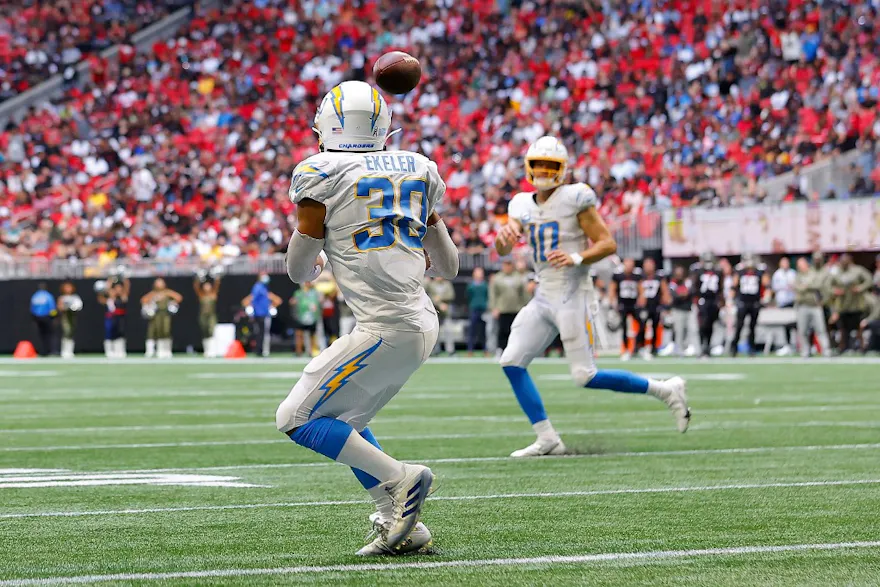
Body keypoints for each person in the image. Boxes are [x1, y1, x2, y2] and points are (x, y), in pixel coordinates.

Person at [275, 80, 458, 555]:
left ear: (328, 124)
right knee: (344, 418)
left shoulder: (321, 169)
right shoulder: (418, 167)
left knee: (296, 418)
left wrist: (314, 259)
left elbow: (297, 271)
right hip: (420, 319)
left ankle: (401, 478)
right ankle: (403, 523)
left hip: (385, 328)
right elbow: (451, 266)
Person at [494, 135, 689, 458]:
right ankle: (548, 438)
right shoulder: (521, 204)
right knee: (512, 362)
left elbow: (608, 243)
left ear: (563, 170)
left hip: (573, 292)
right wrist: (504, 237)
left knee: (585, 376)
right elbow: (504, 246)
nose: (543, 171)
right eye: (538, 164)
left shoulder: (575, 198)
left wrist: (577, 257)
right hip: (544, 294)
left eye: (550, 165)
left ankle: (666, 389)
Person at [829, 253, 873, 353]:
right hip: (843, 306)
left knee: (859, 329)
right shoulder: (836, 271)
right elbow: (828, 285)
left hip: (856, 305)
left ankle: (862, 349)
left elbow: (869, 279)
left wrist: (860, 288)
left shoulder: (857, 270)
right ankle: (842, 348)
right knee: (842, 329)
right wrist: (835, 291)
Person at [730, 253, 770, 356]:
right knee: (739, 326)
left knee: (753, 327)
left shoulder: (760, 271)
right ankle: (734, 348)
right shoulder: (739, 270)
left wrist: (766, 297)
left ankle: (751, 348)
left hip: (755, 302)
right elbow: (734, 285)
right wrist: (730, 300)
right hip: (742, 302)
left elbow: (767, 285)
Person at [794, 256, 831, 358]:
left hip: (815, 305)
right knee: (803, 330)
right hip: (802, 305)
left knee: (820, 329)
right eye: (799, 265)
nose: (800, 266)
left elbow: (818, 285)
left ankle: (826, 350)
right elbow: (796, 287)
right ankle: (805, 351)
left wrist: (806, 286)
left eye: (802, 264)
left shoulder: (813, 273)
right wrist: (806, 287)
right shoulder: (798, 275)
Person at [489, 258, 528, 353]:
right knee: (502, 330)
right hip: (502, 309)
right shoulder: (497, 278)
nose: (507, 267)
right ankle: (500, 349)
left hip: (516, 309)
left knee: (516, 331)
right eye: (505, 264)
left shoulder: (518, 277)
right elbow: (493, 294)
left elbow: (523, 294)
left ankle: (515, 350)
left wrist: (525, 307)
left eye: (509, 264)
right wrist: (494, 308)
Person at [690, 251, 724, 358]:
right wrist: (695, 299)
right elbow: (694, 286)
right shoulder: (698, 271)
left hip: (713, 301)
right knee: (702, 325)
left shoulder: (718, 271)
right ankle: (701, 347)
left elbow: (720, 287)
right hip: (702, 300)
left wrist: (721, 301)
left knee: (710, 325)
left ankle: (707, 347)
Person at [241, 272, 282, 357]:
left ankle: (262, 350)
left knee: (262, 333)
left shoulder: (264, 288)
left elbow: (278, 300)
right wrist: (250, 307)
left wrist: (271, 306)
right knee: (261, 333)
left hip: (263, 313)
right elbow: (249, 300)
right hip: (260, 314)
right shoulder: (258, 287)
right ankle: (261, 350)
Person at [635, 257, 668, 359]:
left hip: (655, 305)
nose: (648, 267)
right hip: (644, 306)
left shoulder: (659, 276)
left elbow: (664, 290)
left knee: (655, 327)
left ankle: (654, 348)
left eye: (650, 264)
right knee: (642, 327)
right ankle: (640, 347)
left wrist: (666, 303)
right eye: (646, 264)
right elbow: (638, 290)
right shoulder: (640, 277)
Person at [609, 258, 642, 360]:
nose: (629, 265)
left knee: (641, 325)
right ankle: (626, 350)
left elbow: (641, 289)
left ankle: (638, 348)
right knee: (624, 328)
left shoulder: (637, 275)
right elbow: (612, 289)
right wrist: (612, 302)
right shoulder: (618, 275)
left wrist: (641, 300)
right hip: (622, 304)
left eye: (631, 263)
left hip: (634, 304)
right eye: (628, 263)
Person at [141, 278, 183, 359]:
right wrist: (153, 299)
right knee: (154, 331)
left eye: (161, 283)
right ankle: (156, 350)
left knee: (166, 331)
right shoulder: (153, 293)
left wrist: (171, 301)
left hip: (165, 314)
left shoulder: (167, 292)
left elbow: (179, 297)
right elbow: (143, 300)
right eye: (158, 283)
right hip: (155, 315)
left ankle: (167, 350)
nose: (159, 284)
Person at [98, 277, 130, 358]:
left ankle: (120, 350)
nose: (118, 290)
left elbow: (127, 288)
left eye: (120, 288)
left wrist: (124, 280)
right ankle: (109, 351)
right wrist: (111, 279)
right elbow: (105, 293)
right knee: (109, 333)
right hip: (110, 318)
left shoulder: (123, 297)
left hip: (120, 318)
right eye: (116, 288)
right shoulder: (110, 299)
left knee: (120, 333)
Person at [771, 257, 797, 355]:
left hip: (792, 301)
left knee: (794, 324)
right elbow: (774, 287)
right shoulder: (777, 274)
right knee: (784, 325)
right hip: (782, 302)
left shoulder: (792, 273)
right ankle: (787, 345)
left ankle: (796, 344)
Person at [667, 266, 694, 356]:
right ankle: (678, 349)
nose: (679, 275)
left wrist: (682, 294)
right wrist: (682, 294)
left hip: (688, 309)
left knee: (689, 329)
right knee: (679, 330)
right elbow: (674, 295)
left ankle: (686, 347)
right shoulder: (673, 283)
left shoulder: (687, 282)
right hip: (677, 309)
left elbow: (690, 292)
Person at [425, 276, 455, 355]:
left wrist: (440, 298)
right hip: (434, 312)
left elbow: (451, 295)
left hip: (446, 312)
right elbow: (429, 297)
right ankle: (435, 351)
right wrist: (439, 304)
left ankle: (450, 350)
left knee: (448, 331)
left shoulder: (447, 284)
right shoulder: (431, 284)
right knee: (435, 333)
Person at [290, 281, 321, 356]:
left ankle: (313, 351)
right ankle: (299, 351)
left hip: (312, 317)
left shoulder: (314, 292)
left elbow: (320, 301)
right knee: (299, 335)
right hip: (301, 316)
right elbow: (292, 301)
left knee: (312, 335)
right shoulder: (298, 293)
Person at [194, 273, 221, 357]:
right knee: (205, 331)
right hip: (203, 316)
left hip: (211, 315)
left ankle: (212, 350)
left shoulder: (213, 294)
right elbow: (196, 287)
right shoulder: (201, 295)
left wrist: (217, 277)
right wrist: (198, 278)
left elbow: (217, 285)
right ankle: (207, 350)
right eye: (205, 286)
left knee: (211, 331)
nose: (207, 287)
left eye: (208, 286)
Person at [466, 267, 489, 355]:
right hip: (474, 309)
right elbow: (468, 296)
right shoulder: (471, 285)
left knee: (483, 331)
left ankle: (485, 349)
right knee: (472, 331)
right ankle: (470, 350)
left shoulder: (485, 285)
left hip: (483, 310)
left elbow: (487, 296)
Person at [30, 282, 57, 356]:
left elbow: (32, 308)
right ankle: (52, 351)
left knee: (42, 335)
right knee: (51, 334)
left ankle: (43, 351)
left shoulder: (35, 296)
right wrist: (53, 317)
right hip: (47, 317)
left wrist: (34, 318)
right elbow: (52, 307)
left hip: (37, 317)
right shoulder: (48, 295)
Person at [57, 282, 83, 359]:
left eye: (69, 287)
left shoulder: (75, 297)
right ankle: (64, 351)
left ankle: (70, 351)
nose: (68, 289)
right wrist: (66, 308)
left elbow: (79, 305)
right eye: (66, 287)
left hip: (72, 316)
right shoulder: (62, 297)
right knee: (66, 332)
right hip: (65, 316)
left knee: (71, 332)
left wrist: (74, 308)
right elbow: (59, 307)